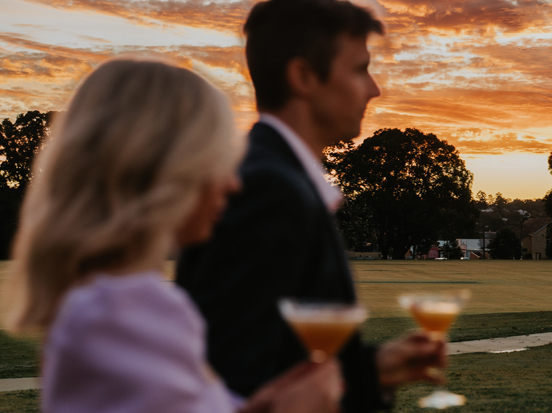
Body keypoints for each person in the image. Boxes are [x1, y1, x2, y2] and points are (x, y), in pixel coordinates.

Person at [2, 56, 343, 413]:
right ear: (167, 168)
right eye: (218, 160)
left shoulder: (101, 303)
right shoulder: (125, 312)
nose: (233, 183)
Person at [176, 0, 446, 411]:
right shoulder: (268, 190)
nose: (374, 89)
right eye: (359, 69)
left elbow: (287, 362)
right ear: (303, 77)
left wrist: (373, 370)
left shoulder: (279, 177)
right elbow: (232, 379)